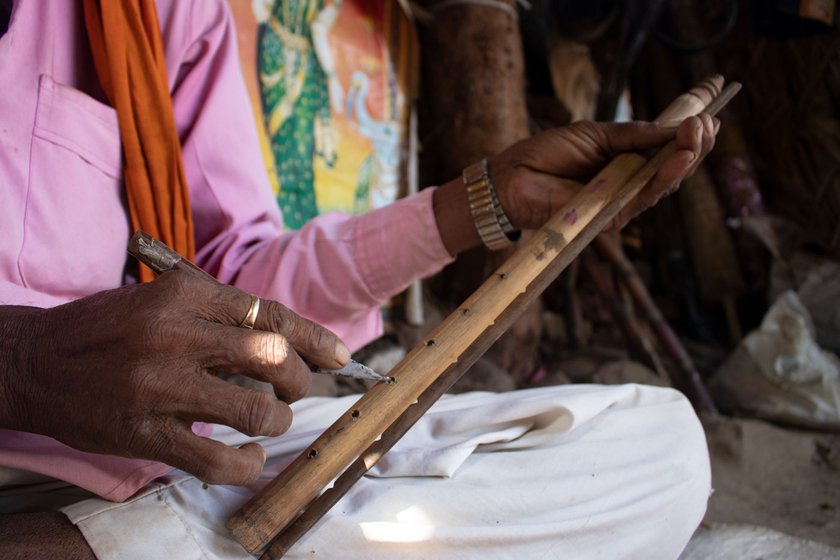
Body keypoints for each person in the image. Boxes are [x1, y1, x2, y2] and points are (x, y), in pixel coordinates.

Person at [0, 0, 718, 558]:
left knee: (657, 448)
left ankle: (116, 547)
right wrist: (22, 363)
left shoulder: (154, 16)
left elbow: (237, 285)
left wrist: (478, 202)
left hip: (164, 466)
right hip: (29, 469)